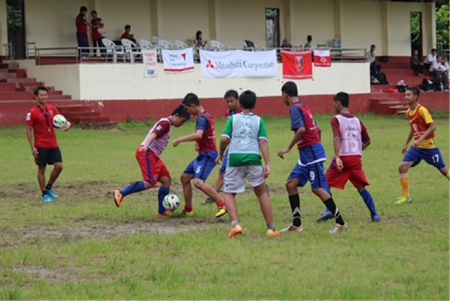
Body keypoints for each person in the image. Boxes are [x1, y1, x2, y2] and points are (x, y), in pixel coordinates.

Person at [277, 81, 348, 234]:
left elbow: (301, 129)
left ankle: (341, 222)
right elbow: (318, 129)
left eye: (281, 96)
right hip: (308, 154)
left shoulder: (295, 109)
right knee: (291, 184)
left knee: (317, 188)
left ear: (285, 94)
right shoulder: (304, 107)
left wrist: (288, 148)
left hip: (311, 154)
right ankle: (297, 224)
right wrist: (317, 144)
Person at [216, 90, 280, 237]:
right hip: (253, 158)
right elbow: (262, 142)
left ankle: (235, 225)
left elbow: (225, 139)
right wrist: (268, 163)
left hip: (235, 158)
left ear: (240, 103)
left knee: (228, 191)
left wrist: (220, 154)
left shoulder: (233, 119)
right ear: (255, 104)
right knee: (262, 192)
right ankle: (271, 228)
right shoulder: (259, 121)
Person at [113, 105, 190, 216]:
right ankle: (120, 193)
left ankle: (162, 211)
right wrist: (146, 146)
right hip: (147, 153)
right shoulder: (165, 123)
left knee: (166, 180)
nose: (181, 124)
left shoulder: (168, 124)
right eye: (181, 121)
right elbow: (154, 134)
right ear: (176, 115)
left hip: (154, 156)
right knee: (149, 182)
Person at [316, 92, 380, 223]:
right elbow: (367, 140)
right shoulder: (357, 121)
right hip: (356, 159)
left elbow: (336, 137)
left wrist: (338, 157)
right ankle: (374, 214)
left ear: (338, 103)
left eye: (334, 104)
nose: (333, 106)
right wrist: (356, 150)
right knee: (361, 187)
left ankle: (329, 210)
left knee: (324, 183)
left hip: (343, 157)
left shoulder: (336, 119)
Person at [172, 93, 227, 218]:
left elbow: (198, 135)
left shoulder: (202, 118)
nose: (187, 112)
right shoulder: (206, 115)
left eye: (187, 109)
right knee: (185, 178)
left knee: (198, 182)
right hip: (202, 156)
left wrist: (180, 139)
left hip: (207, 156)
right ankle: (188, 209)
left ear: (192, 105)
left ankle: (222, 204)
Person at [395, 87, 450, 204]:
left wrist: (419, 140)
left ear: (415, 97)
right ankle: (406, 197)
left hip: (429, 147)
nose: (406, 97)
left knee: (444, 170)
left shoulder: (422, 110)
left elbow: (432, 127)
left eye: (408, 95)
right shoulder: (408, 112)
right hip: (416, 148)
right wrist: (406, 143)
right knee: (402, 167)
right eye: (405, 95)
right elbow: (413, 128)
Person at [26, 86, 71, 202]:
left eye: (46, 95)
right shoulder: (32, 112)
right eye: (41, 95)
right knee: (42, 169)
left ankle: (49, 187)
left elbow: (61, 120)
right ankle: (44, 194)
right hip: (41, 145)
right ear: (36, 97)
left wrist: (67, 124)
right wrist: (33, 147)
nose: (44, 97)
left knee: (59, 166)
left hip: (53, 144)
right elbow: (28, 130)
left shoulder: (51, 108)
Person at [202, 89, 242, 205]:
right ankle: (213, 195)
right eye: (227, 102)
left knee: (249, 171)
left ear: (237, 101)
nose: (229, 104)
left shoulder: (242, 112)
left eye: (232, 101)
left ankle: (263, 187)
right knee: (222, 171)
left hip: (243, 146)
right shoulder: (228, 113)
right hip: (232, 145)